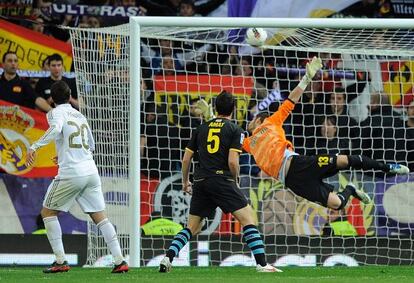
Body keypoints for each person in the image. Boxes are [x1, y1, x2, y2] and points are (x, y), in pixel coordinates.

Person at [242, 57, 410, 211]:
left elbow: (291, 100)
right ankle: (350, 189)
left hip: (298, 164)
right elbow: (230, 149)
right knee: (337, 204)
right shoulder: (248, 143)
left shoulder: (271, 122)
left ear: (258, 120)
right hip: (292, 182)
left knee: (344, 160)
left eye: (252, 118)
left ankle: (388, 167)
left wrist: (306, 78)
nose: (248, 120)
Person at [159, 91, 281, 273]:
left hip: (200, 180)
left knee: (192, 227)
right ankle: (262, 264)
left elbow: (186, 159)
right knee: (249, 219)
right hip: (222, 180)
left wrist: (185, 182)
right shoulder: (235, 130)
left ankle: (167, 257)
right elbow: (233, 161)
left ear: (215, 107)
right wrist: (236, 178)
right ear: (233, 109)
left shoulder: (201, 128)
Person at [25, 81, 128, 274]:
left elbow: (56, 130)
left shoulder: (55, 113)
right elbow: (91, 144)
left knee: (47, 213)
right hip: (90, 171)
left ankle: (60, 260)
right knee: (100, 217)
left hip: (72, 172)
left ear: (52, 99)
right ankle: (120, 260)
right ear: (69, 94)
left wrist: (34, 146)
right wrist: (65, 152)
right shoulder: (79, 114)